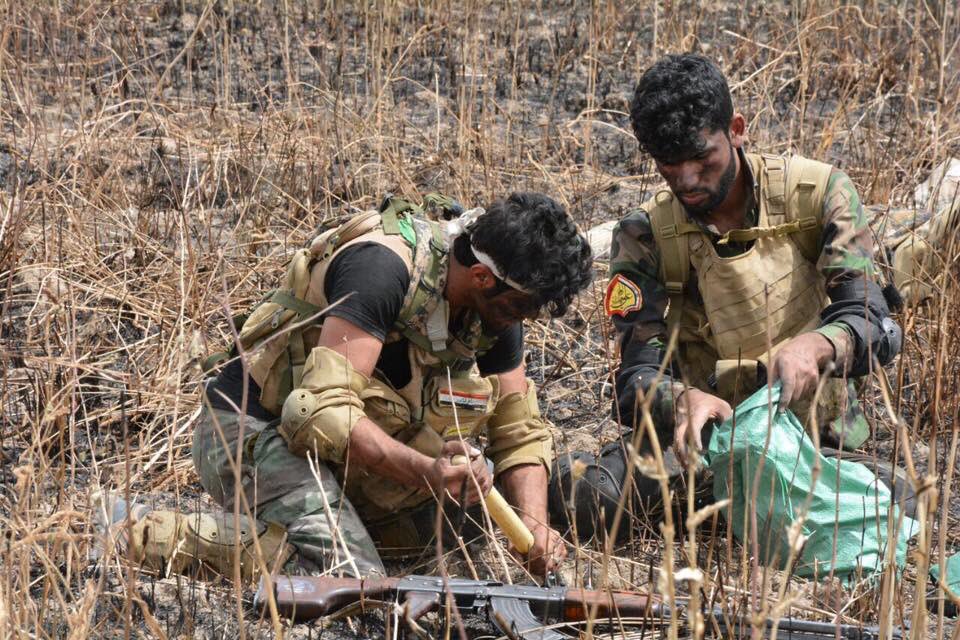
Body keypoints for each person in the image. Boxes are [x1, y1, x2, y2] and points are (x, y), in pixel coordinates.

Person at [102, 191, 593, 581]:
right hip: (249, 431)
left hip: (348, 464)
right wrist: (427, 472)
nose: (525, 321)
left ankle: (316, 528)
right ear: (483, 277)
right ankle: (136, 530)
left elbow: (518, 429)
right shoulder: (382, 269)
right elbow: (320, 413)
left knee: (463, 535)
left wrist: (534, 524)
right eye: (524, 308)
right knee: (349, 576)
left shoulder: (497, 310)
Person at [550, 53, 904, 541]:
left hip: (811, 441)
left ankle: (753, 514)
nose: (688, 182)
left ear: (736, 129)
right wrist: (681, 399)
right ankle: (739, 512)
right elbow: (635, 376)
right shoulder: (646, 232)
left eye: (702, 159)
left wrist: (818, 346)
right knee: (583, 497)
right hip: (703, 445)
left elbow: (876, 324)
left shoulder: (819, 193)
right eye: (669, 167)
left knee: (900, 508)